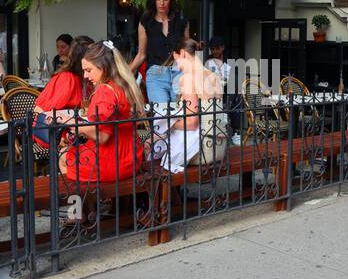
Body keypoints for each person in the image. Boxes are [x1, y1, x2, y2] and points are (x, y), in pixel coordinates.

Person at [54, 41, 143, 183]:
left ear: (104, 67)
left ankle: (85, 202)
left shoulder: (105, 91)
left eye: (88, 70)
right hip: (131, 159)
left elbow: (102, 136)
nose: (85, 76)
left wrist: (69, 121)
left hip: (109, 163)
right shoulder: (125, 86)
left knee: (63, 155)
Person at [148, 36, 228, 173]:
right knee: (157, 140)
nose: (177, 65)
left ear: (183, 54)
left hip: (201, 149)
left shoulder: (188, 78)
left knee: (151, 146)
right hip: (218, 145)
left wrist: (169, 125)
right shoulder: (213, 76)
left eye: (176, 59)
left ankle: (165, 193)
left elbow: (192, 123)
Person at [131, 0, 189, 104]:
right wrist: (125, 71)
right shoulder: (145, 23)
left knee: (180, 116)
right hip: (156, 74)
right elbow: (141, 54)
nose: (162, 3)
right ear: (154, 0)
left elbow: (187, 52)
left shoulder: (182, 22)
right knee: (161, 116)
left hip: (179, 73)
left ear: (170, 0)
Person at [32, 36, 93, 148]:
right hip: (54, 133)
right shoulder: (68, 79)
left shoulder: (85, 78)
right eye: (94, 54)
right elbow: (41, 110)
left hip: (76, 129)